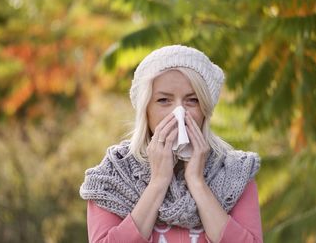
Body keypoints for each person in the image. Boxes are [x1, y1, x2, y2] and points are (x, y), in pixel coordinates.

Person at [80, 45, 262, 243]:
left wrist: (197, 182)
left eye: (192, 100)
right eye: (164, 100)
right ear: (145, 109)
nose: (179, 114)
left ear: (204, 110)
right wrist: (158, 182)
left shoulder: (235, 173)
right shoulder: (113, 175)